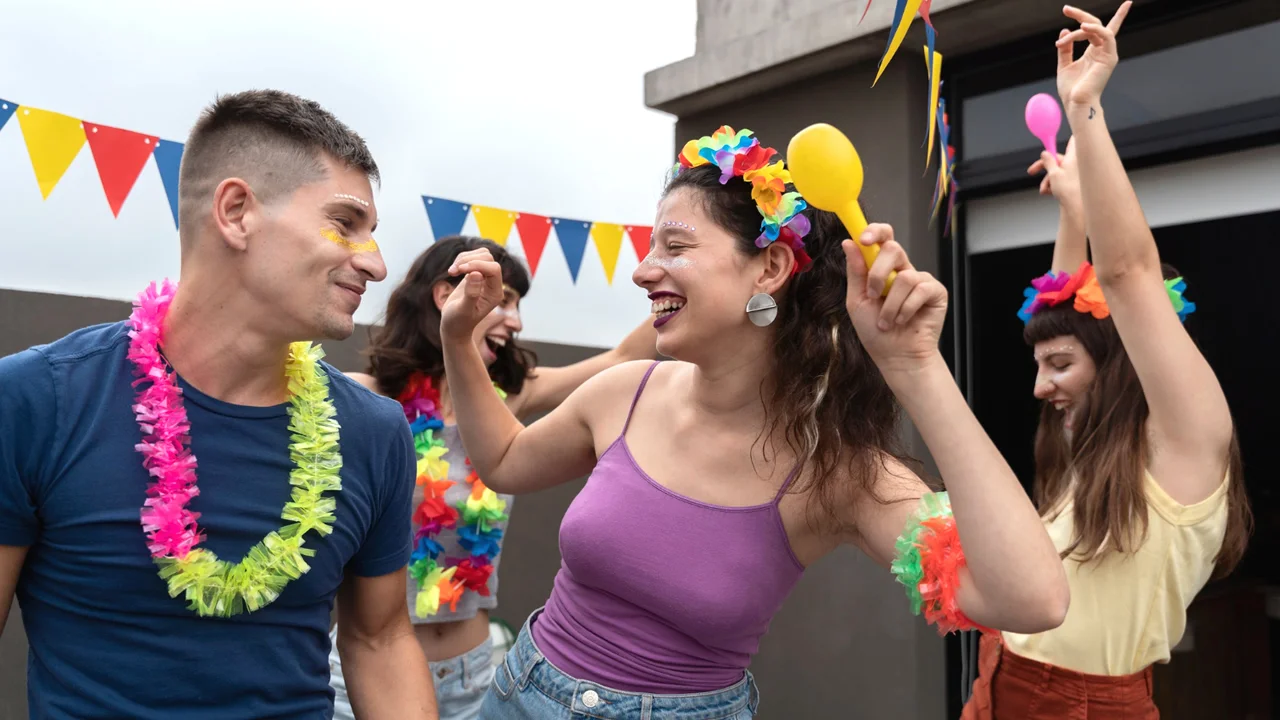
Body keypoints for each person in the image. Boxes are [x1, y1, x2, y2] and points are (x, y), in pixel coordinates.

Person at [437, 125, 1070, 718]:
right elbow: (504, 462)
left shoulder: (835, 470)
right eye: (650, 246)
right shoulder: (624, 393)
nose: (641, 270)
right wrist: (459, 339)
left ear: (768, 270)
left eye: (675, 246)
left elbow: (1030, 599)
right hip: (519, 694)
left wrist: (916, 367)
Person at [0, 90, 437, 719]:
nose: (374, 262)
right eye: (344, 224)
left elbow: (379, 638)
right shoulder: (38, 400)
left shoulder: (374, 431)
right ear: (236, 212)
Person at [962, 4, 1252, 718]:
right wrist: (1071, 212)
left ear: (1118, 360)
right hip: (996, 684)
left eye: (1059, 367)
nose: (1040, 386)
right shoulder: (1090, 444)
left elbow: (1126, 277)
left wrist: (1085, 110)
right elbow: (1066, 310)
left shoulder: (1185, 445)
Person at [327, 235, 658, 720]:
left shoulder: (506, 401)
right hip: (362, 678)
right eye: (504, 301)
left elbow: (622, 360)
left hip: (473, 677)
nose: (517, 322)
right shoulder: (367, 401)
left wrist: (706, 278)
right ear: (447, 297)